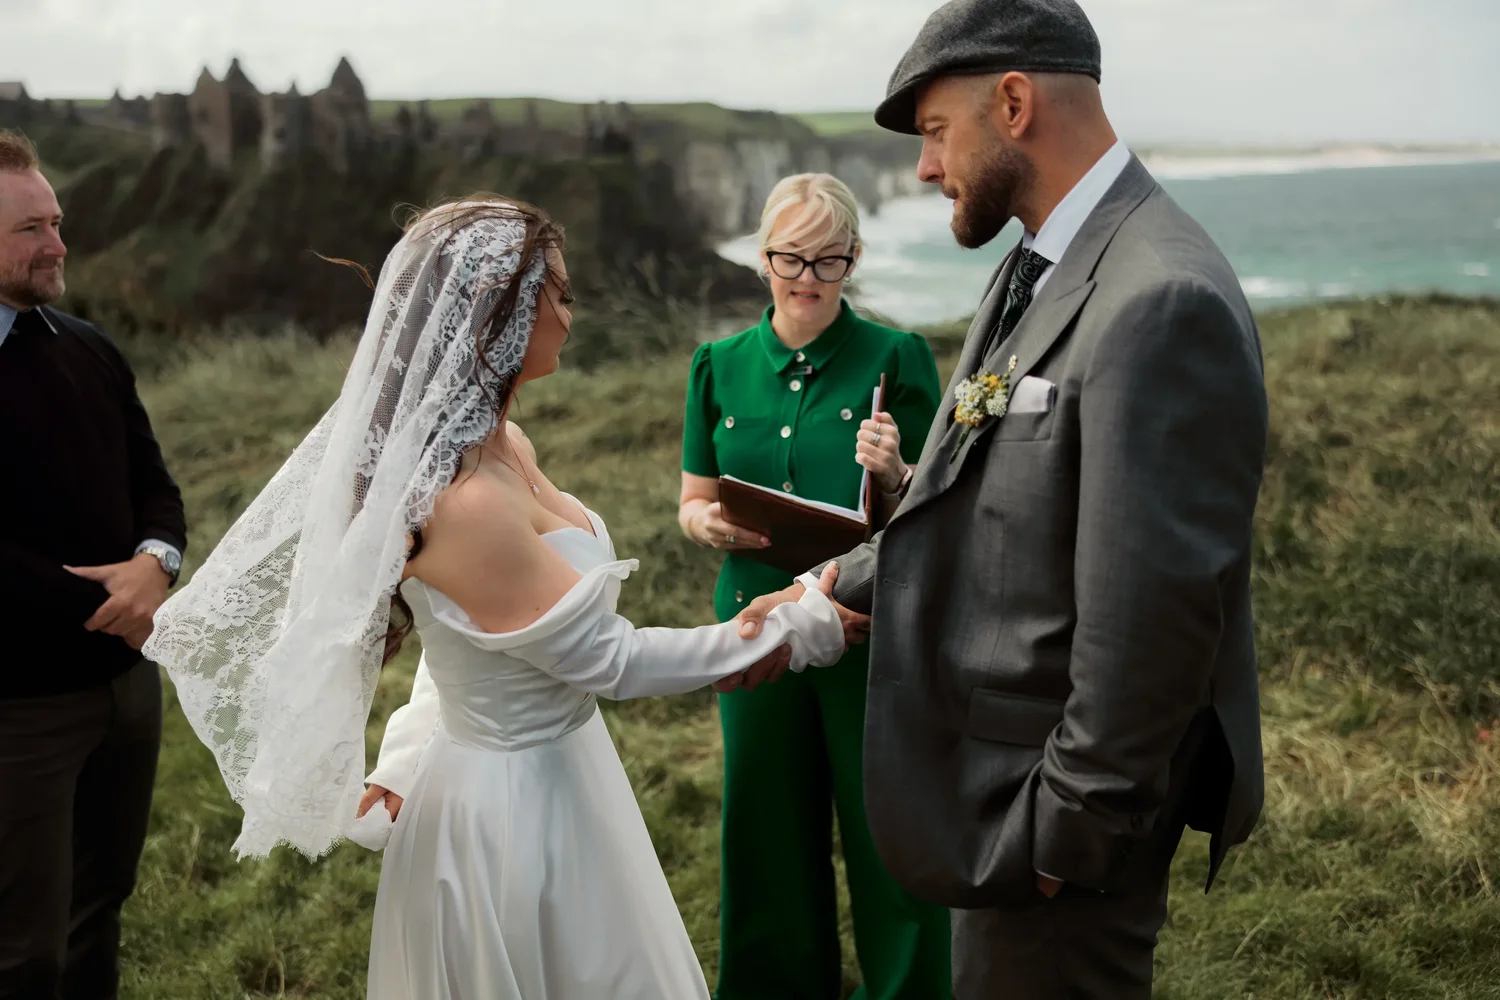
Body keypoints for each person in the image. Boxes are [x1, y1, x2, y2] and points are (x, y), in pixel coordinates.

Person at [144, 197, 862, 1000]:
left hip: (564, 771)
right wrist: (798, 626)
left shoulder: (502, 444)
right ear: (501, 312)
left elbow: (470, 635)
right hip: (512, 814)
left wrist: (409, 751)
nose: (567, 312)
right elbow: (609, 659)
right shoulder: (468, 500)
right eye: (555, 293)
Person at [736, 1, 1270, 997]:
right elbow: (967, 493)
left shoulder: (1163, 300)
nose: (928, 168)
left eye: (937, 133)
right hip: (994, 792)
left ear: (1014, 102)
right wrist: (829, 592)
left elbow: (1152, 618)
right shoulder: (1039, 264)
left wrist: (1064, 833)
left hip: (1053, 824)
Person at [677, 173, 949, 999]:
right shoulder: (716, 365)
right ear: (762, 258)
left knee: (885, 829)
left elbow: (942, 504)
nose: (806, 277)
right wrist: (709, 527)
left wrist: (897, 470)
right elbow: (692, 499)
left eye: (828, 259)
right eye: (790, 258)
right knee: (764, 824)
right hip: (755, 620)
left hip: (871, 622)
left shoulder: (896, 358)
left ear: (854, 259)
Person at [0, 129, 187, 999]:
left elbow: (153, 484)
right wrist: (100, 600)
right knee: (21, 947)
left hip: (126, 685)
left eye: (57, 221)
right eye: (30, 230)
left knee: (100, 907)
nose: (58, 245)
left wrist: (156, 564)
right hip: (21, 706)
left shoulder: (88, 347)